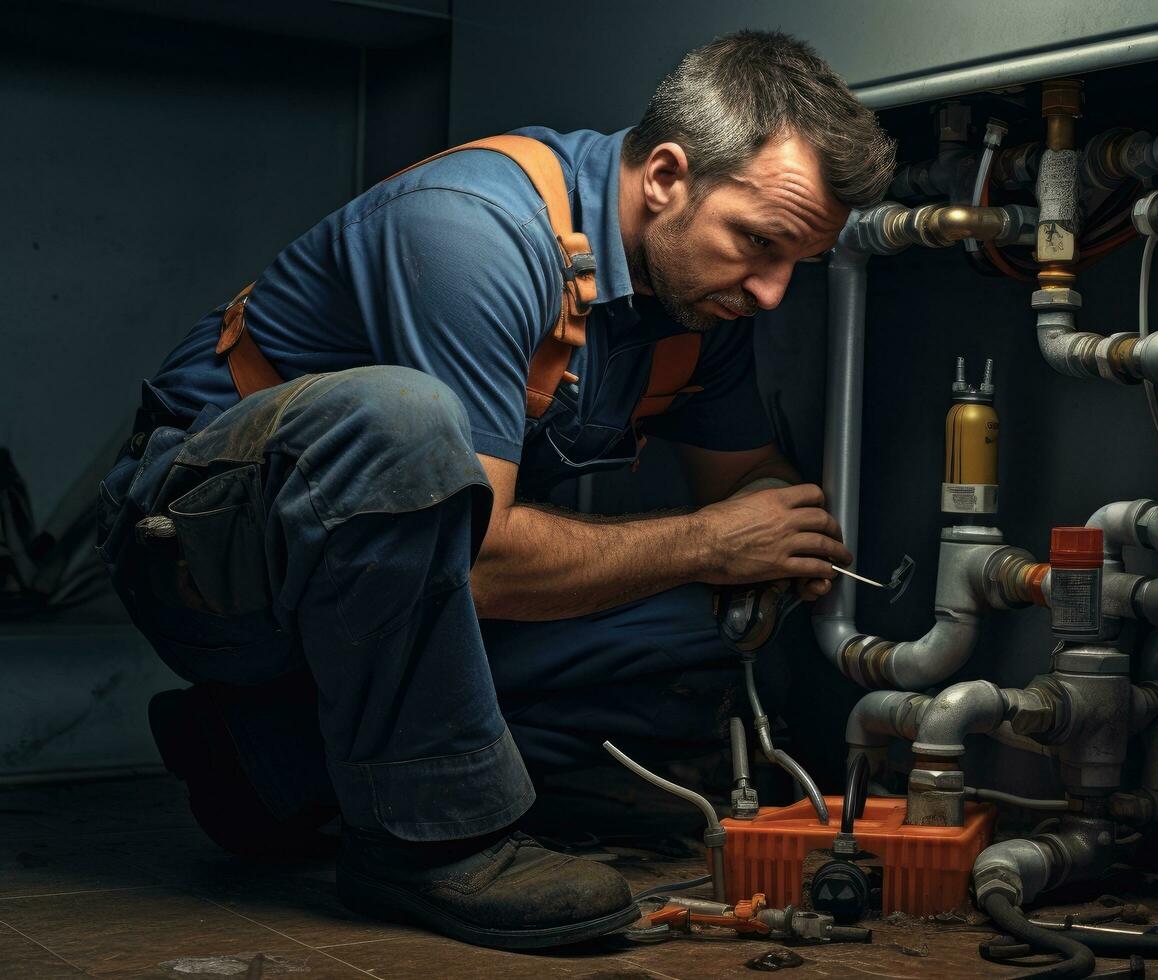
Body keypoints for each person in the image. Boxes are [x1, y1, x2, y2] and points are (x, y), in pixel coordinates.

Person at [97, 30, 895, 949]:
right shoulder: (474, 232)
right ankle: (431, 843)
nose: (770, 294)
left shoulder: (695, 299)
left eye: (797, 261)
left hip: (390, 600)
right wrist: (715, 542)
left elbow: (749, 481)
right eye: (757, 244)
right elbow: (475, 565)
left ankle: (269, 761)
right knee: (403, 420)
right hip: (209, 555)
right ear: (667, 177)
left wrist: (771, 540)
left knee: (698, 647)